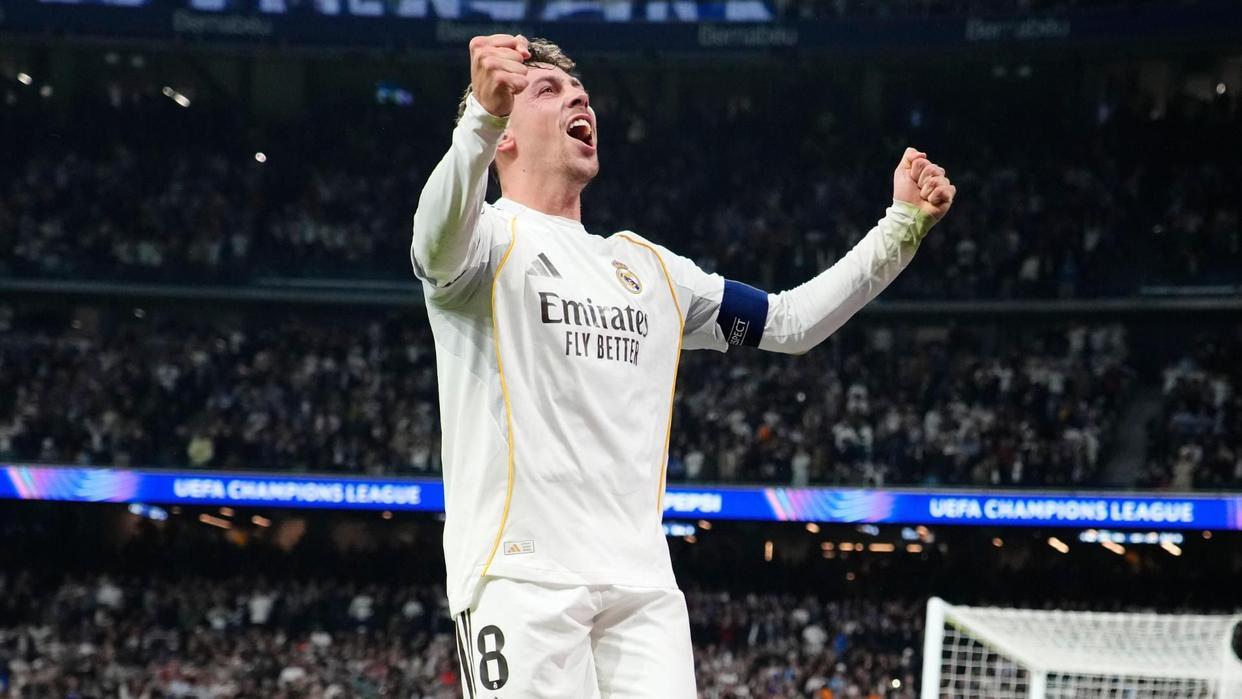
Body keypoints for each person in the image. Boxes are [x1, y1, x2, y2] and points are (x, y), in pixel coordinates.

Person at [410, 34, 955, 698]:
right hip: (520, 577)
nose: (579, 99)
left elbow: (789, 323)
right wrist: (478, 118)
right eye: (548, 90)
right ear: (505, 137)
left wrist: (901, 227)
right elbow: (432, 240)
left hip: (642, 589)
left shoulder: (650, 270)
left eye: (581, 92)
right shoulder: (483, 244)